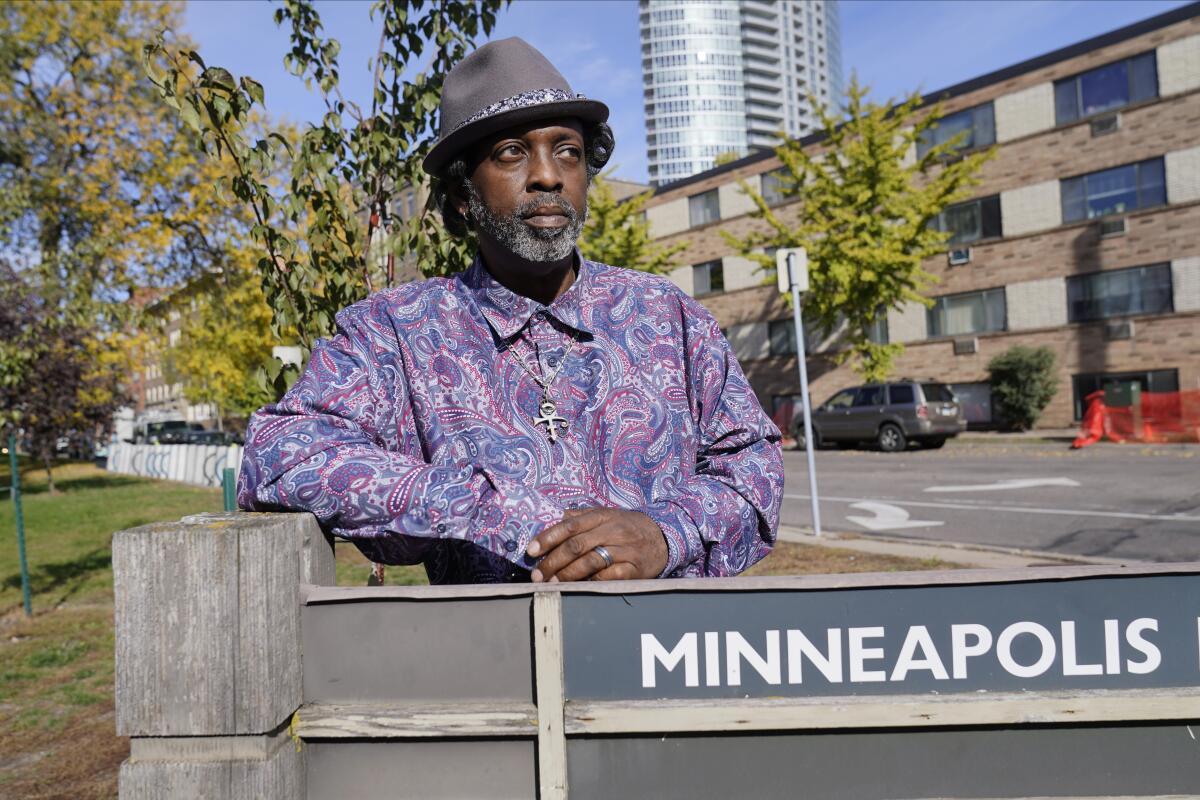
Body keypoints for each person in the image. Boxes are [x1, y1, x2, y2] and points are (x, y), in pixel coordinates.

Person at [237, 37, 784, 584]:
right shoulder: (396, 332)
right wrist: (487, 509)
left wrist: (666, 534)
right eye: (512, 153)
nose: (548, 175)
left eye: (567, 151)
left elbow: (754, 463)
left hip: (664, 654)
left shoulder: (667, 315)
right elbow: (279, 452)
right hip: (491, 659)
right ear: (461, 195)